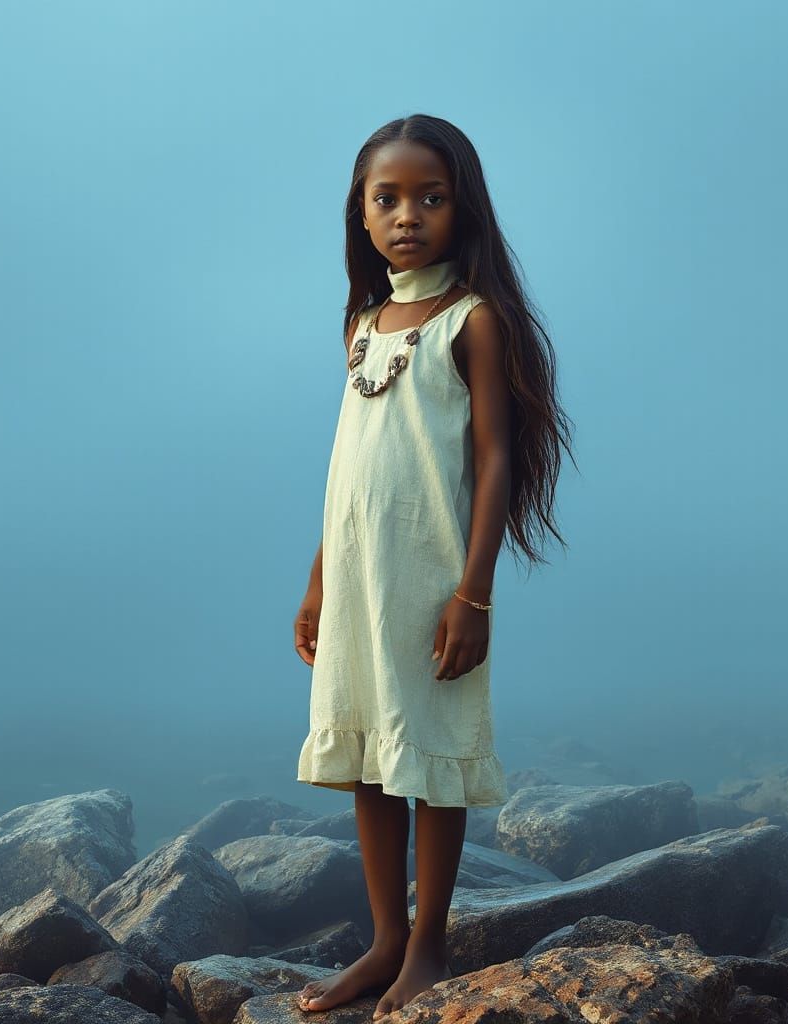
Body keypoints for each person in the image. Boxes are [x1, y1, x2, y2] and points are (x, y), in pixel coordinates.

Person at [292, 114, 574, 1018]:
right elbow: (349, 468)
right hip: (357, 578)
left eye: (430, 196)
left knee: (429, 758)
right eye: (388, 199)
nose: (407, 214)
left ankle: (428, 947)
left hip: (431, 582)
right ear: (361, 217)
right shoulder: (364, 323)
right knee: (371, 758)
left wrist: (474, 591)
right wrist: (318, 579)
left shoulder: (471, 321)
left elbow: (494, 460)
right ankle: (380, 942)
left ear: (463, 210)